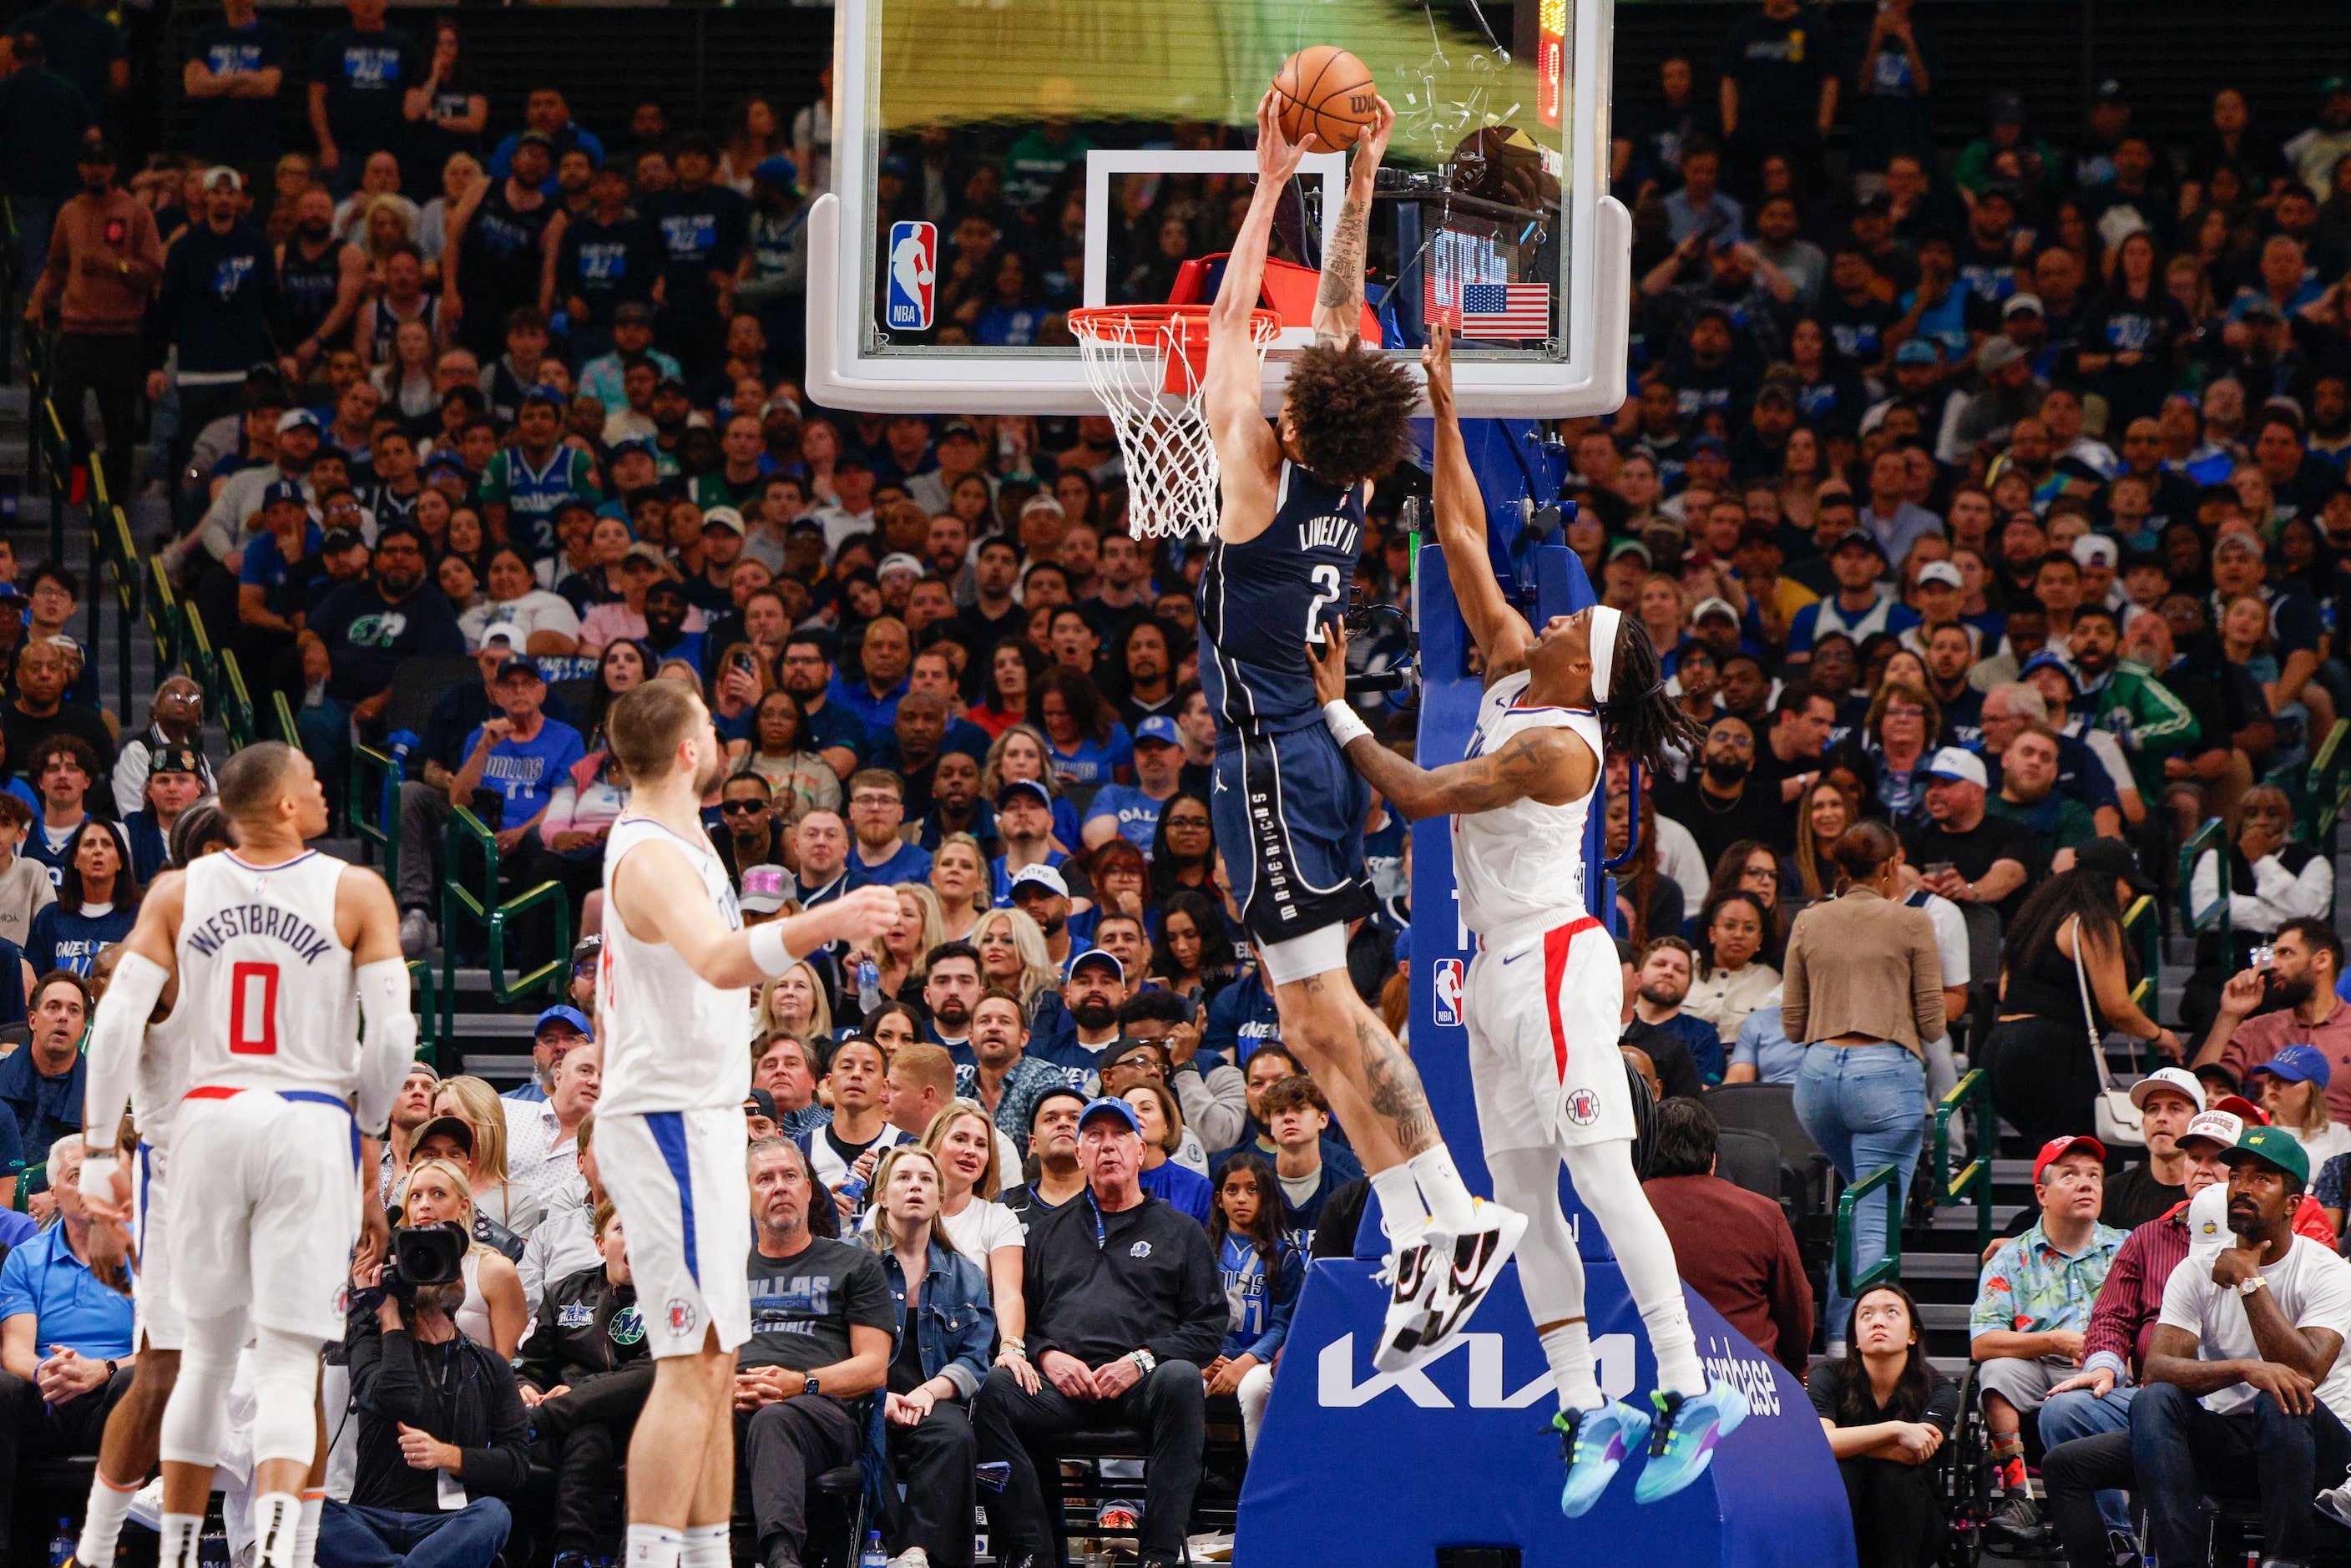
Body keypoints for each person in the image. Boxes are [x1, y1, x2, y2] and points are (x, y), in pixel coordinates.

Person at [1309, 323, 1743, 1511]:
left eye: (1566, 629)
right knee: (1521, 1198)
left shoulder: (1557, 747)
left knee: (1605, 1180)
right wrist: (1442, 409)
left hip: (1558, 961)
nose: (1547, 619)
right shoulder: (1518, 671)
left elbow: (1417, 791)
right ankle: (1582, 1403)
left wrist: (1341, 709)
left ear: (1582, 675)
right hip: (1496, 972)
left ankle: (1680, 1378)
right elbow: (1459, 538)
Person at [1198, 84, 1509, 1374]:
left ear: (1287, 415)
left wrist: (1273, 183)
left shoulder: (1259, 481)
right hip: (1308, 753)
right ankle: (1420, 1220)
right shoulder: (1351, 470)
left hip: (1273, 754)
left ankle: (1448, 1202)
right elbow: (1333, 327)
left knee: (1322, 1008)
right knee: (1311, 1019)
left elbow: (1230, 331)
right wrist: (1362, 176)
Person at [76, 741, 413, 1568]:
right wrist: (367, 1129)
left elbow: (111, 1025)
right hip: (303, 1119)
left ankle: (172, 1553)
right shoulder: (356, 888)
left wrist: (91, 1153)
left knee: (200, 1362)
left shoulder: (177, 895)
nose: (326, 785)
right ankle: (272, 1554)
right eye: (313, 779)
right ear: (285, 804)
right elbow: (395, 1037)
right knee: (290, 1368)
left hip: (208, 1123)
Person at [584, 678, 893, 1568]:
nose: (721, 735)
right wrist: (826, 919)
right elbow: (723, 962)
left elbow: (623, 1000)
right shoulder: (648, 853)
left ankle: (704, 1554)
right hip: (670, 1119)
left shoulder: (685, 838)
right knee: (687, 1366)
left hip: (693, 1112)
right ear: (688, 750)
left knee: (714, 1364)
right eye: (711, 728)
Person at [971, 1098, 1225, 1568]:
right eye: (1095, 1137)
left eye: (1119, 1136)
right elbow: (1023, 1316)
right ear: (1081, 1154)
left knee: (1184, 1381)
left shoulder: (1182, 1231)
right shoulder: (1046, 1233)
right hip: (1062, 1388)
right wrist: (1046, 1356)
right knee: (996, 1392)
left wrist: (1142, 1360)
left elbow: (1207, 1329)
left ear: (1140, 1148)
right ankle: (1035, 1552)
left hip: (1143, 1388)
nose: (1107, 1147)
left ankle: (1158, 1556)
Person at [2029, 1105, 2247, 1556]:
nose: (2203, 1169)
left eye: (2217, 1159)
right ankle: (2117, 1537)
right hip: (2152, 1392)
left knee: (2159, 1404)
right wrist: (2105, 1365)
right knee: (2063, 1411)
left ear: (2244, 1172)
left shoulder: (2261, 1236)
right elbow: (2111, 1317)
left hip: (2233, 1401)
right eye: (2194, 1158)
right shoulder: (2147, 1236)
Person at [2135, 1124, 2351, 1568]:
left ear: (2294, 1203)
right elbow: (2156, 1370)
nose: (2241, 1188)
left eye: (2260, 1179)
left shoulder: (2326, 1271)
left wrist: (2250, 1281)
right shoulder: (2195, 1270)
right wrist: (2242, 1369)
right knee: (2151, 1402)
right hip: (2236, 1437)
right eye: (2236, 1177)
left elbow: (2307, 1370)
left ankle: (2287, 1560)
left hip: (2321, 1447)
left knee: (2281, 1396)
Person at [1782, 821, 1946, 1349]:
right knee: (1874, 1220)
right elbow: (1934, 1023)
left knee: (1860, 1202)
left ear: (1840, 869)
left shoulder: (1809, 919)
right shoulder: (1913, 921)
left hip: (1816, 1079)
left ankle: (1841, 1332)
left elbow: (1791, 1023)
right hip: (1883, 1077)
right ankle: (1842, 1343)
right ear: (1890, 866)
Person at [326, 1206, 532, 1568]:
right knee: (308, 1510)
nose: (437, 1270)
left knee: (494, 1514)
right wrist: (389, 1316)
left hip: (447, 1525)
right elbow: (399, 1398)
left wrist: (449, 1456)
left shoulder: (490, 1367)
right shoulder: (372, 1345)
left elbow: (515, 1466)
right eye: (421, 1260)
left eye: (446, 1258)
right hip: (372, 1520)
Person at [736, 1137, 894, 1568]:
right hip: (734, 1402)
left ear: (808, 1190)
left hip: (821, 1410)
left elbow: (873, 1368)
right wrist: (723, 1387)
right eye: (765, 1179)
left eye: (790, 1176)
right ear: (746, 1195)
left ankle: (782, 1557)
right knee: (674, 1422)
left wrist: (798, 1383)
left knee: (775, 1419)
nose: (779, 1187)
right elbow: (697, 1357)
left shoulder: (853, 1264)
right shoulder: (723, 1268)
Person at [1987, 843, 2182, 1150]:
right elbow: (2116, 1007)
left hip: (1998, 1049)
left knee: (2057, 1161)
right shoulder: (2094, 922)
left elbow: (2003, 988)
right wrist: (2158, 1034)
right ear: (2113, 881)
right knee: (2090, 1158)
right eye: (2129, 884)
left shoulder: (2036, 917)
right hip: (2048, 1052)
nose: (2130, 896)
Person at [1969, 1136, 2127, 1510]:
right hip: (2036, 1366)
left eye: (2094, 1176)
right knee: (1997, 1370)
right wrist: (2054, 1341)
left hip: (2106, 1369)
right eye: (2069, 1175)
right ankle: (2016, 1493)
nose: (2086, 1183)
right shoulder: (2009, 1258)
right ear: (2042, 1194)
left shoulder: (2127, 1249)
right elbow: (1982, 1342)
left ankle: (2112, 1520)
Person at [0, 1137, 136, 1564]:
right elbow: (15, 1349)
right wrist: (45, 1371)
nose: (86, 1186)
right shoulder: (25, 1259)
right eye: (75, 1176)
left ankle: (138, 1542)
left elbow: (163, 1351)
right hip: (47, 1396)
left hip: (117, 1394)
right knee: (1, 1387)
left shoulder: (143, 1253)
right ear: (53, 1191)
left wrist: (105, 1368)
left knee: (143, 1380)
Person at [862, 1144, 995, 1568]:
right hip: (868, 1394)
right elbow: (833, 1344)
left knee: (954, 1435)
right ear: (881, 1196)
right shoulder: (853, 1261)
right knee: (864, 1431)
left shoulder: (966, 1274)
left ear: (940, 1197)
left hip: (932, 1398)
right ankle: (889, 1548)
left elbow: (977, 1357)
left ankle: (917, 1553)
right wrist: (878, 1395)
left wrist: (929, 1392)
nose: (915, 1187)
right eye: (903, 1178)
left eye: (925, 1179)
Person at [513, 1198, 649, 1568]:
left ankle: (580, 1551)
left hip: (638, 1421)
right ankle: (569, 1554)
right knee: (587, 1431)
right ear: (601, 1243)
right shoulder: (566, 1292)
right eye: (622, 1229)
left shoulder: (669, 1300)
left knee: (638, 1387)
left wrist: (575, 1395)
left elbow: (649, 1374)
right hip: (568, 1424)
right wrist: (523, 1383)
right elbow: (529, 1360)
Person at [1638, 1098, 1813, 1377]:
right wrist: (1794, 1374)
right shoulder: (1764, 1212)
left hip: (1648, 1373)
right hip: (1751, 1379)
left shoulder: (1621, 1212)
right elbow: (1797, 1312)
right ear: (1713, 1158)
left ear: (1645, 1152)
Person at [1809, 1283, 1960, 1568]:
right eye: (1866, 1315)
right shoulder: (1827, 1376)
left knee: (1895, 1476)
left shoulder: (1939, 1389)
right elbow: (1818, 1445)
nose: (1878, 1321)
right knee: (1843, 1475)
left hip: (1913, 1518)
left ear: (1913, 1334)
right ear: (1855, 1339)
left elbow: (1913, 1454)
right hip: (1848, 1511)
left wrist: (1844, 1444)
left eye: (1892, 1313)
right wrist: (1895, 1430)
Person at [1205, 1154, 1302, 1453]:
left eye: (1252, 1189)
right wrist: (1207, 1358)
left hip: (1259, 1359)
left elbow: (1284, 1324)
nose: (1242, 1198)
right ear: (1220, 1199)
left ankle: (1257, 1482)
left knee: (1255, 1388)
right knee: (1179, 1383)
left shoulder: (1284, 1255)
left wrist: (1247, 1361)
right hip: (1209, 1356)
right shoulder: (1202, 1248)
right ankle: (1193, 1482)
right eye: (1232, 1191)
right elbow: (1192, 1314)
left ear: (1267, 1196)